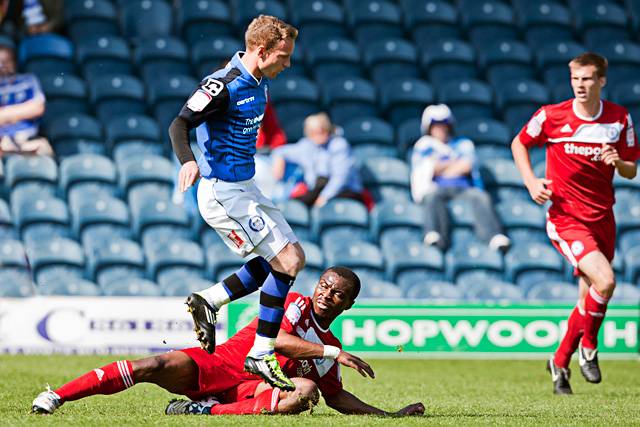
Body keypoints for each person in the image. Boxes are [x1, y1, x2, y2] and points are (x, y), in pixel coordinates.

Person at [32, 267, 425, 417]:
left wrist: (387, 417)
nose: (326, 294)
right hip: (216, 364)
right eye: (324, 284)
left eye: (337, 293)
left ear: (348, 304)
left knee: (305, 391)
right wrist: (333, 351)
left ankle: (203, 412)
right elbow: (278, 341)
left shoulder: (326, 346)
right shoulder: (293, 303)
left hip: (248, 388)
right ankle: (58, 396)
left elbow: (336, 397)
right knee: (150, 366)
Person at [168, 15, 305, 391]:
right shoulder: (221, 85)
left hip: (246, 186)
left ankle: (209, 300)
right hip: (221, 192)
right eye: (283, 56)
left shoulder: (259, 82)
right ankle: (261, 354)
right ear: (261, 51)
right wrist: (189, 161)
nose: (288, 64)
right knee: (287, 262)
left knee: (286, 259)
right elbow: (179, 125)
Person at [511, 52, 639, 395]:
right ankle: (590, 346)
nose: (581, 86)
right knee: (607, 281)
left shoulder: (618, 119)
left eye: (587, 79)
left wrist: (618, 161)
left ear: (601, 81)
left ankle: (560, 361)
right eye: (575, 79)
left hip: (603, 217)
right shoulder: (551, 116)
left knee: (589, 297)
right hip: (566, 218)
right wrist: (531, 181)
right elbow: (520, 142)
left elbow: (631, 168)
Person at [410, 104, 510, 252]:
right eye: (436, 126)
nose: (441, 130)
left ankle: (493, 236)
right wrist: (450, 165)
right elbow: (428, 169)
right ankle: (434, 234)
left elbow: (466, 166)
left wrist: (440, 167)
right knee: (431, 197)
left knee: (481, 197)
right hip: (437, 188)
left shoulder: (463, 144)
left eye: (444, 126)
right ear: (429, 128)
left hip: (463, 188)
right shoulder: (424, 145)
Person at [271, 113, 364, 207]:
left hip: (344, 191)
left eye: (322, 130)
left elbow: (340, 178)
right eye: (313, 131)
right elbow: (281, 151)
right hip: (316, 189)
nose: (318, 134)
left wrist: (324, 197)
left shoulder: (338, 145)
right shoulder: (306, 145)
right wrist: (279, 160)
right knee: (292, 206)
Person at [0, 41, 53, 157]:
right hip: (2, 141)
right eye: (0, 62)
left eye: (6, 61)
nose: (3, 65)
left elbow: (37, 107)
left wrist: (6, 113)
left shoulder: (28, 80)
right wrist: (18, 112)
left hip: (27, 138)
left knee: (44, 148)